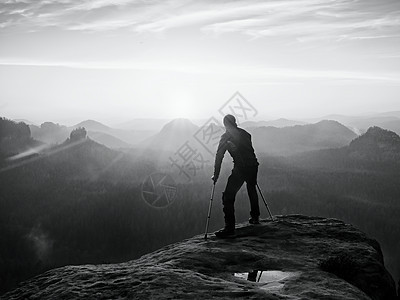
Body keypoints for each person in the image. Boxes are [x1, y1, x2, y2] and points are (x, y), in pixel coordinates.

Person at [212, 114, 260, 238]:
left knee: (228, 196)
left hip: (241, 168)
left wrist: (216, 174)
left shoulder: (226, 137)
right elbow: (250, 150)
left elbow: (219, 156)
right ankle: (255, 217)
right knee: (251, 189)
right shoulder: (246, 134)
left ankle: (229, 228)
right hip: (253, 165)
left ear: (225, 124)